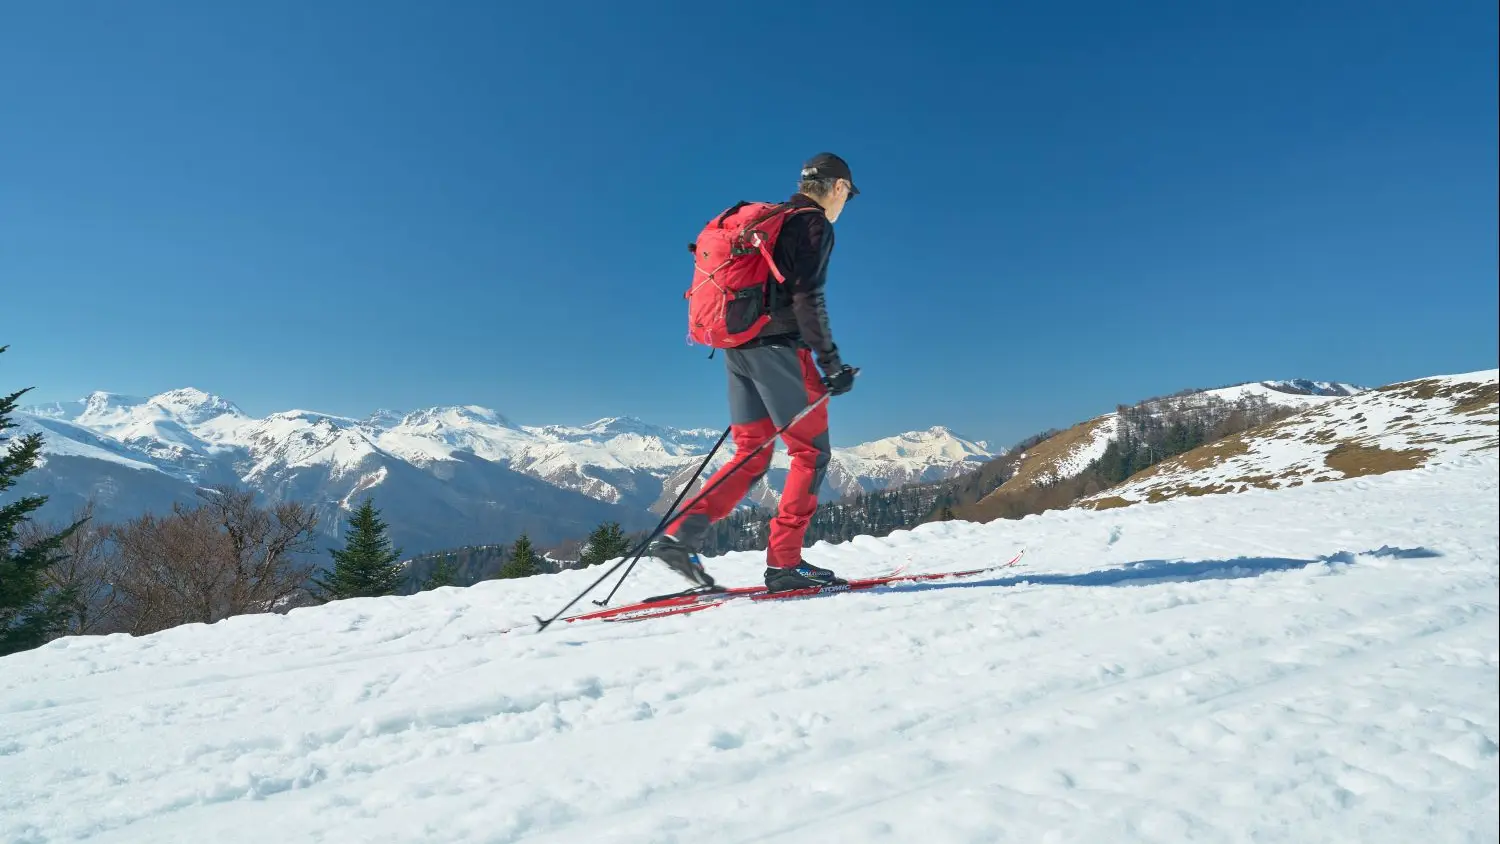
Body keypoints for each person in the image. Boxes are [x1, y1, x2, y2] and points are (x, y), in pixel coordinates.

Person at [651, 152, 861, 593]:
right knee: (810, 453)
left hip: (737, 346)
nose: (846, 202)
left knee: (752, 452)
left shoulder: (773, 220)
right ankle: (784, 564)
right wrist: (831, 363)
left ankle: (681, 535)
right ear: (838, 187)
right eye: (848, 193)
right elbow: (807, 298)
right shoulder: (813, 224)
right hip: (780, 350)